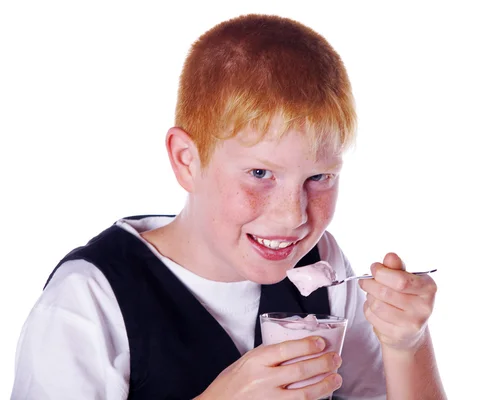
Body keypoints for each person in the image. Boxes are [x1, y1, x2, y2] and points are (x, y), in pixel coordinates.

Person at [11, 14, 446, 400]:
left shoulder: (324, 268)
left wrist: (407, 345)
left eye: (319, 177)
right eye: (260, 174)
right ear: (187, 160)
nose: (292, 216)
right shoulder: (89, 300)